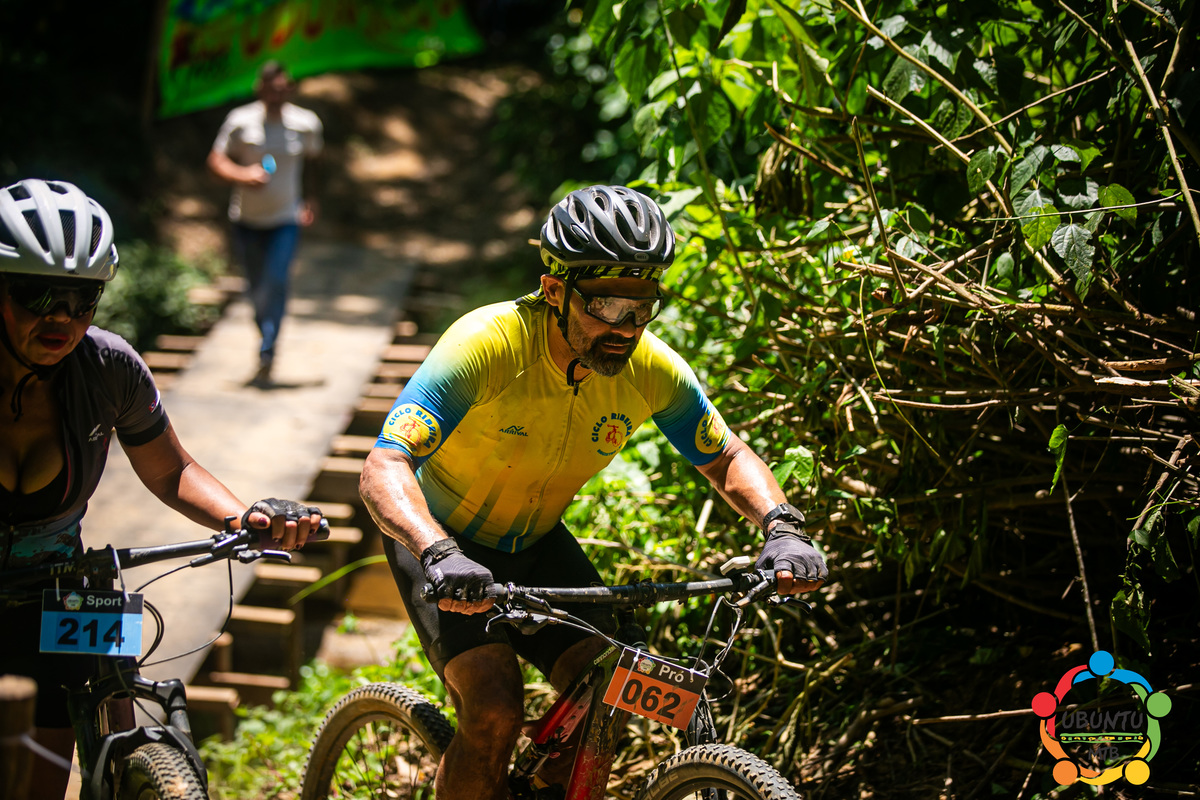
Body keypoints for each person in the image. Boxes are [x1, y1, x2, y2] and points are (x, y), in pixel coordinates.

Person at [360, 184, 828, 800]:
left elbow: (727, 456)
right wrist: (438, 551)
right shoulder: (488, 344)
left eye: (643, 307)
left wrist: (782, 526)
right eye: (606, 305)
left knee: (611, 690)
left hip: (536, 544)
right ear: (555, 291)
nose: (625, 328)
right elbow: (384, 465)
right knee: (494, 708)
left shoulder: (650, 368)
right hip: (442, 544)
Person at [0, 178, 324, 800]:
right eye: (37, 294)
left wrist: (244, 517)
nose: (61, 317)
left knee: (79, 743)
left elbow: (171, 471)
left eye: (83, 298)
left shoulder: (108, 369)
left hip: (58, 589)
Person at [206, 60, 323, 387]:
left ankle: (269, 347)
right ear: (260, 89)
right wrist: (242, 175)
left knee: (277, 280)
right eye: (270, 90)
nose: (276, 95)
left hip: (286, 218)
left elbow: (314, 164)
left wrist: (311, 199)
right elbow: (216, 160)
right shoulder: (240, 121)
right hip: (246, 219)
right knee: (256, 288)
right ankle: (266, 332)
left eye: (282, 89)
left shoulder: (306, 124)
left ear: (290, 90)